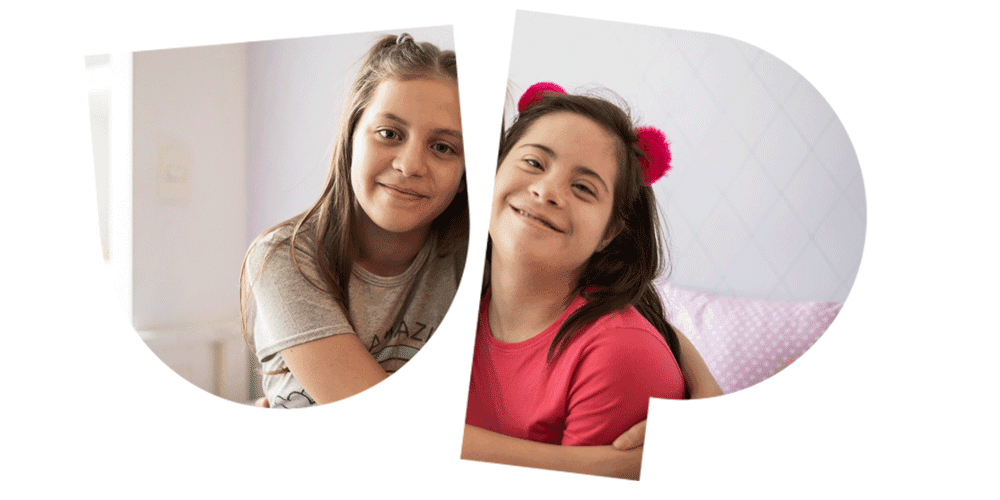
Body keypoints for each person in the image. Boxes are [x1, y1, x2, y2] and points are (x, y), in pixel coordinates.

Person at [461, 83, 720, 479]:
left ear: (610, 233)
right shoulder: (446, 288)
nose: (546, 191)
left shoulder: (620, 352)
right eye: (533, 162)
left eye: (583, 188)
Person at [240, 33, 468, 409]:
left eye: (443, 147)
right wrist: (572, 465)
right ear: (350, 138)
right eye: (389, 134)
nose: (409, 165)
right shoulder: (285, 257)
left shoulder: (475, 267)